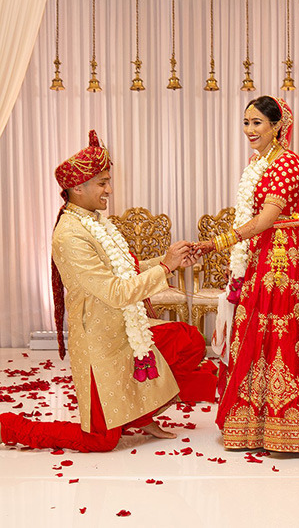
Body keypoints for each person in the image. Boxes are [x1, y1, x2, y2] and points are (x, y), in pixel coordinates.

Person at [0, 131, 213, 451]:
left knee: (188, 341)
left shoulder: (95, 223)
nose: (109, 190)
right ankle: (7, 427)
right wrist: (165, 268)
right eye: (102, 183)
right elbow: (115, 292)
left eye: (107, 181)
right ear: (77, 187)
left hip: (125, 330)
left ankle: (141, 413)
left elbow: (125, 269)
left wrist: (172, 260)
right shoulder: (70, 235)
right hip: (102, 345)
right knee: (99, 441)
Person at [198, 96, 299, 452]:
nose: (250, 130)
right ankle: (254, 423)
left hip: (283, 261)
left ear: (277, 125)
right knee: (256, 332)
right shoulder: (260, 163)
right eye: (246, 122)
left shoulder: (286, 164)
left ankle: (286, 425)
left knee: (280, 336)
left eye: (257, 123)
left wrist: (218, 242)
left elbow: (268, 218)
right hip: (262, 255)